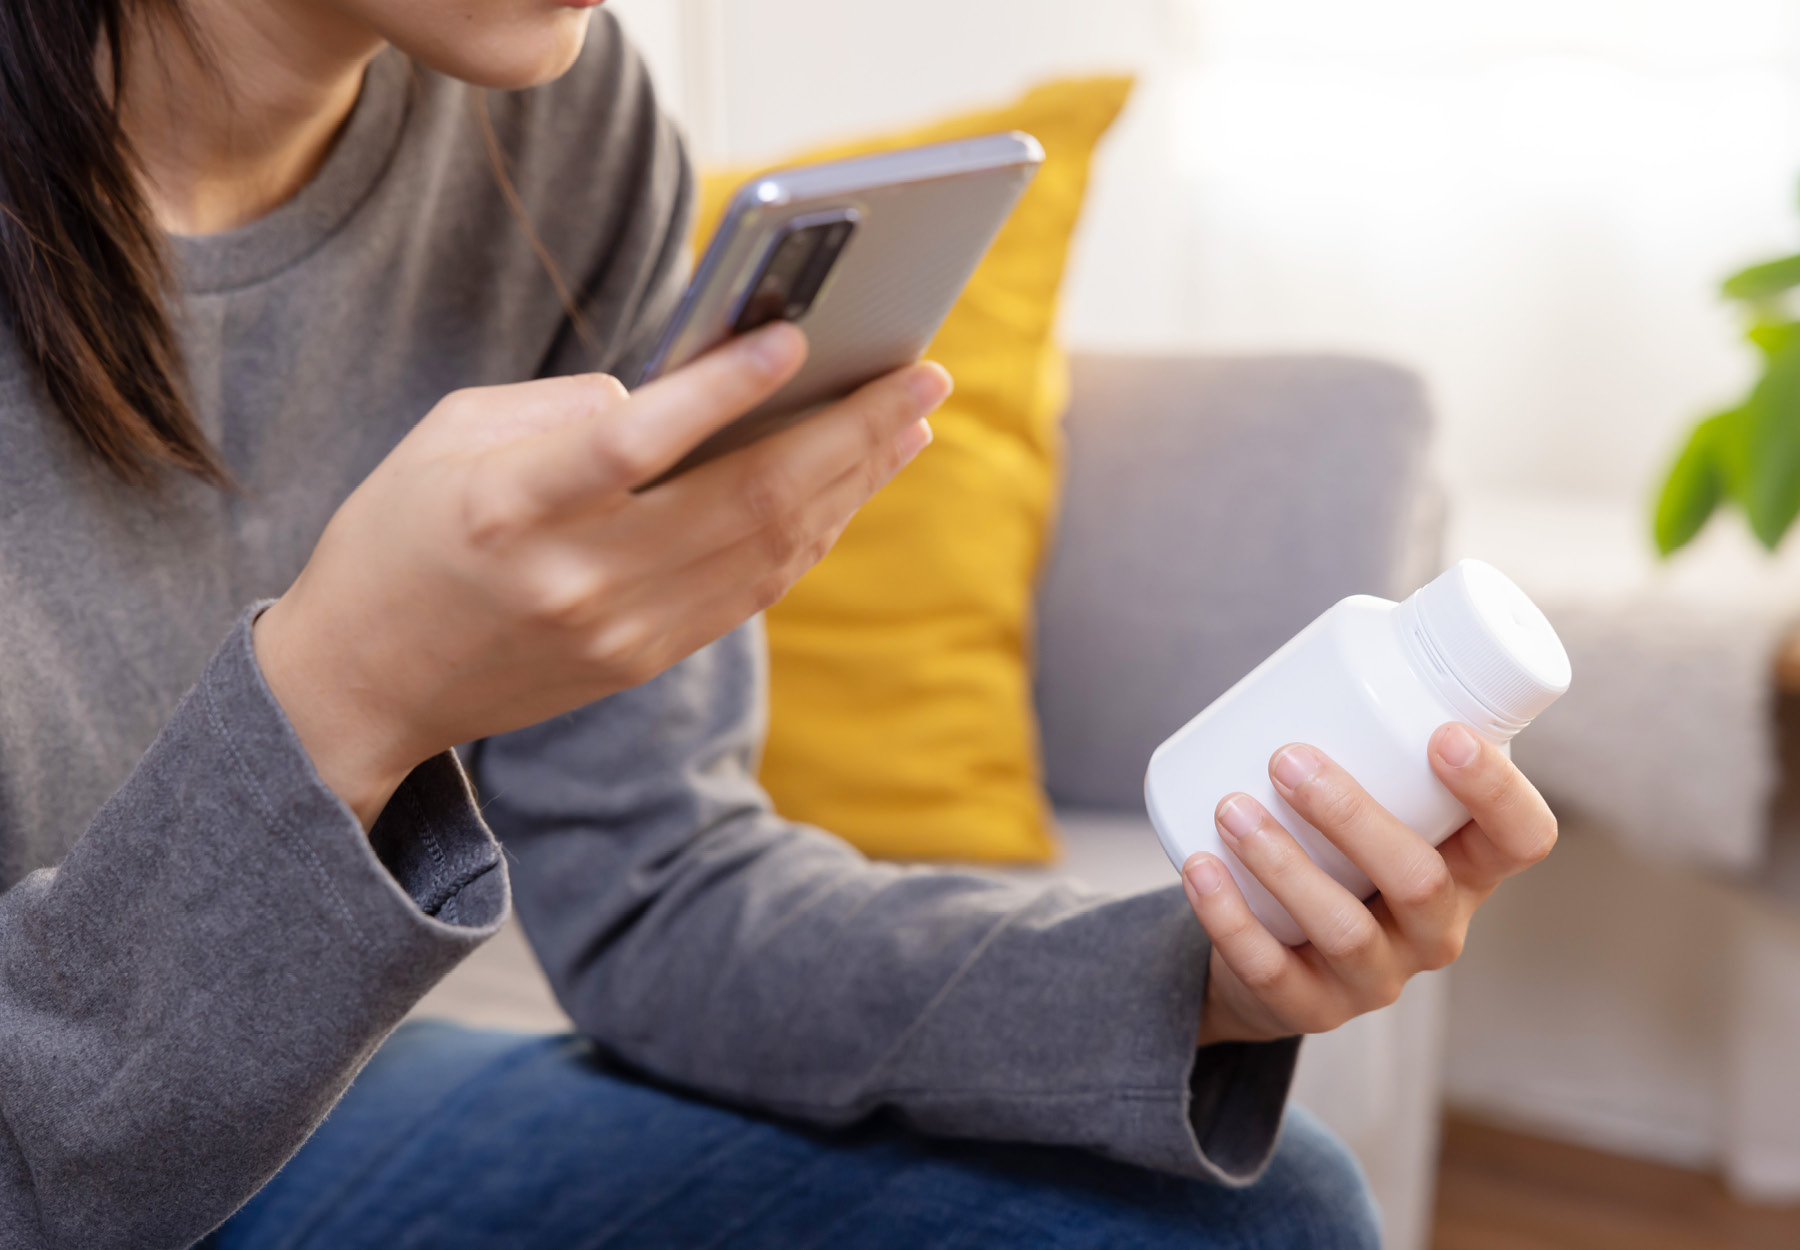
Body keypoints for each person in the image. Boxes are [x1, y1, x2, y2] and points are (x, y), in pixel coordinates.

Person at [0, 2, 1558, 1247]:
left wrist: (1187, 985)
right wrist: (350, 692)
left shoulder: (564, 128)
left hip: (324, 1118)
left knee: (1269, 1219)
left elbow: (661, 891)